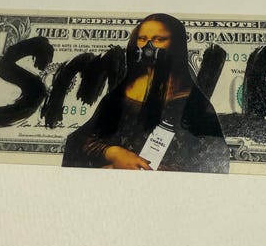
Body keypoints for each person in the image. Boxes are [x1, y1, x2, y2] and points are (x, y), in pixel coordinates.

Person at [62, 13, 229, 173]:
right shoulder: (120, 95)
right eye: (142, 39)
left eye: (159, 39)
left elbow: (213, 160)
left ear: (176, 46)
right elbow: (79, 141)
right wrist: (113, 154)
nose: (148, 46)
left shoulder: (196, 105)